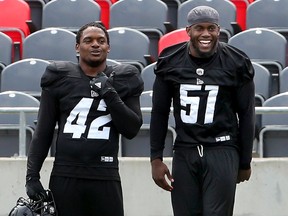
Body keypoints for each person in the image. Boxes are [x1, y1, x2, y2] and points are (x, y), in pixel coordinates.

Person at [25, 22, 144, 215]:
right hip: (65, 174)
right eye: (88, 40)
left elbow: (132, 129)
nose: (95, 45)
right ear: (77, 47)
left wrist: (109, 92)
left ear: (108, 47)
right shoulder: (59, 76)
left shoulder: (124, 77)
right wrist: (32, 176)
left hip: (105, 174)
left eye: (101, 41)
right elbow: (43, 131)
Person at [150, 6, 255, 216]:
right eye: (199, 28)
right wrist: (156, 158)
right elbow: (160, 112)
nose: (206, 34)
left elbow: (246, 114)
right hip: (185, 149)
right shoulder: (170, 61)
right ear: (188, 30)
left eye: (211, 28)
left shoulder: (236, 62)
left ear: (219, 30)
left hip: (222, 148)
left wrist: (245, 161)